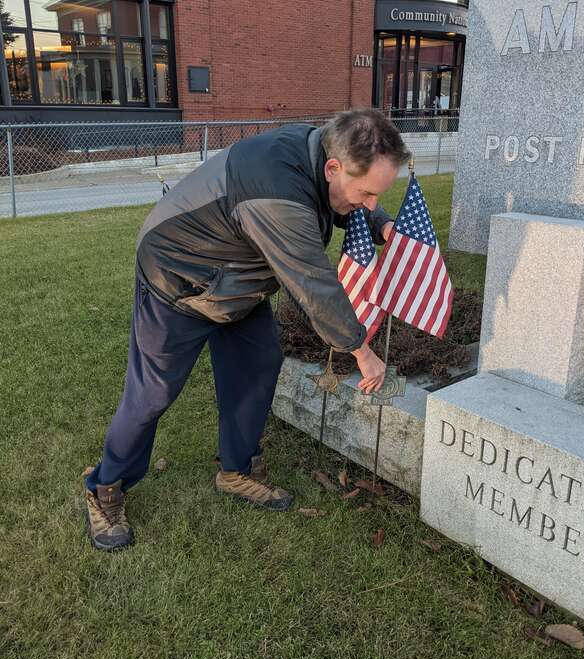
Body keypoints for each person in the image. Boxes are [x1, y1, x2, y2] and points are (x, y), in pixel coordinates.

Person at [84, 108, 410, 552]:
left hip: (238, 276)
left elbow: (337, 200)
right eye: (367, 194)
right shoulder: (277, 197)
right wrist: (360, 350)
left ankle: (235, 471)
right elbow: (314, 285)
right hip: (178, 277)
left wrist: (379, 222)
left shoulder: (319, 149)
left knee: (258, 365)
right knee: (152, 393)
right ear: (333, 167)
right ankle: (105, 487)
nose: (370, 202)